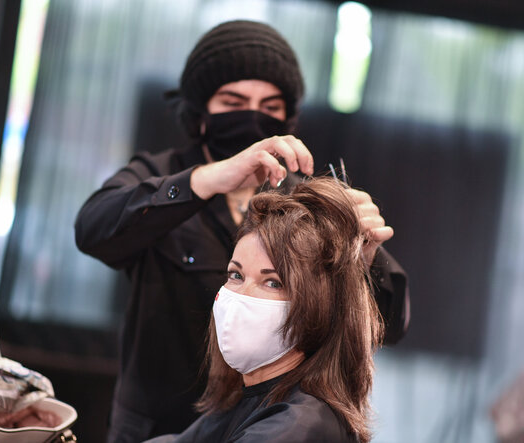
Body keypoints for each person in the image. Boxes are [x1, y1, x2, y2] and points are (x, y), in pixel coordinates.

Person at [75, 19, 410, 441]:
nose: (253, 115)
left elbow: (390, 325)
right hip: (160, 426)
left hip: (259, 422)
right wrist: (209, 178)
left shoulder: (300, 207)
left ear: (287, 118)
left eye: (269, 107)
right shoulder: (161, 176)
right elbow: (93, 229)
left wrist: (363, 260)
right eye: (233, 100)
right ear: (199, 114)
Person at [145, 177, 383, 443]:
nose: (241, 296)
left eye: (272, 282)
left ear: (319, 305)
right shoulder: (251, 397)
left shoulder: (299, 426)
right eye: (236, 275)